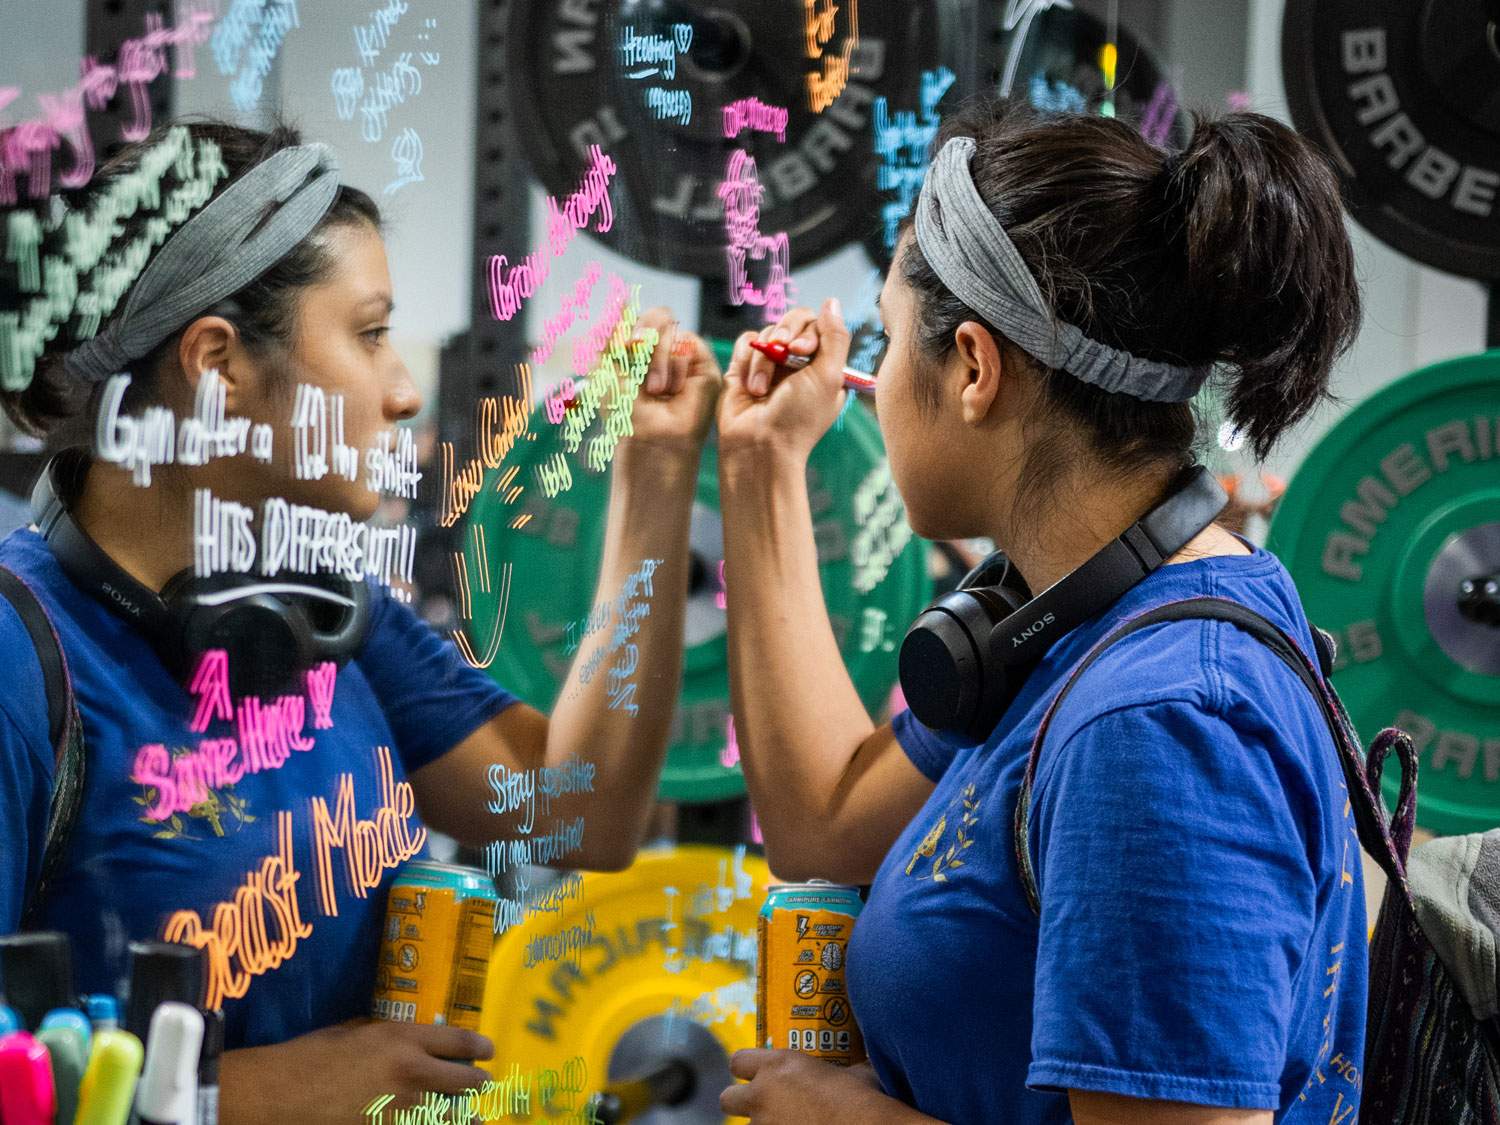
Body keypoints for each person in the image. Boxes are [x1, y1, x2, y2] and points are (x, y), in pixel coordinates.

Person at [0, 120, 721, 1124]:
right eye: (369, 332)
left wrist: (654, 479)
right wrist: (261, 1095)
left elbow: (574, 811)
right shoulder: (17, 658)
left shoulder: (328, 612)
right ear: (217, 366)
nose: (405, 390)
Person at [713, 101, 1366, 1125]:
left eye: (888, 341)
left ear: (973, 368)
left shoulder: (1159, 723)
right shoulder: (1078, 616)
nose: (871, 383)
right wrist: (761, 468)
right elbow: (826, 821)